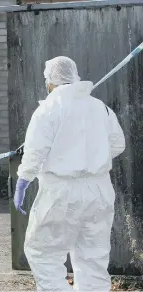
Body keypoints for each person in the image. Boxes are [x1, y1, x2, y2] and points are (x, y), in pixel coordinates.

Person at [14, 56, 125, 291]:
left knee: (43, 253)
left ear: (50, 81)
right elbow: (118, 145)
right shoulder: (100, 107)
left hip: (61, 192)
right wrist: (92, 158)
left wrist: (24, 179)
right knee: (93, 258)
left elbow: (35, 152)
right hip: (99, 190)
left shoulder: (48, 109)